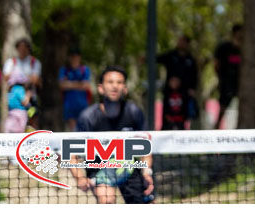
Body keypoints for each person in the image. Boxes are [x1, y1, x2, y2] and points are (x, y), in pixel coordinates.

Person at [70, 66, 154, 204]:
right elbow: (71, 152)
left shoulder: (134, 112)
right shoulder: (88, 117)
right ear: (101, 88)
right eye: (110, 82)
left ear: (125, 89)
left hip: (128, 168)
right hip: (99, 170)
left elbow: (146, 147)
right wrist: (79, 177)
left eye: (119, 82)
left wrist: (147, 173)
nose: (115, 86)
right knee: (107, 201)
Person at [157, 35, 198, 127]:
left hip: (184, 94)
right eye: (180, 41)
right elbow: (158, 58)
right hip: (169, 93)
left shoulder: (190, 59)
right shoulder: (171, 55)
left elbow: (194, 76)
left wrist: (192, 89)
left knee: (182, 120)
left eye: (183, 41)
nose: (180, 43)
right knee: (167, 118)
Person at [3, 38, 42, 129]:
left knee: (32, 119)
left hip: (30, 96)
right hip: (15, 100)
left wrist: (17, 76)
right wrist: (27, 77)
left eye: (25, 48)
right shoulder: (11, 62)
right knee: (15, 121)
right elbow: (6, 77)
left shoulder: (34, 62)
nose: (22, 50)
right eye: (20, 47)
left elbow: (35, 79)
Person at [214, 24, 242, 129]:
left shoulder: (245, 49)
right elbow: (216, 64)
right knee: (222, 108)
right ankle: (216, 128)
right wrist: (220, 78)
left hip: (240, 83)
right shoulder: (224, 47)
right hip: (226, 83)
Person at [59, 48, 93, 131]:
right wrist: (79, 84)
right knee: (73, 131)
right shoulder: (64, 70)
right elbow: (62, 85)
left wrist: (69, 84)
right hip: (69, 105)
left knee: (84, 129)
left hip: (83, 104)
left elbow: (86, 85)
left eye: (76, 56)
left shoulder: (84, 69)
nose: (74, 59)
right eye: (72, 57)